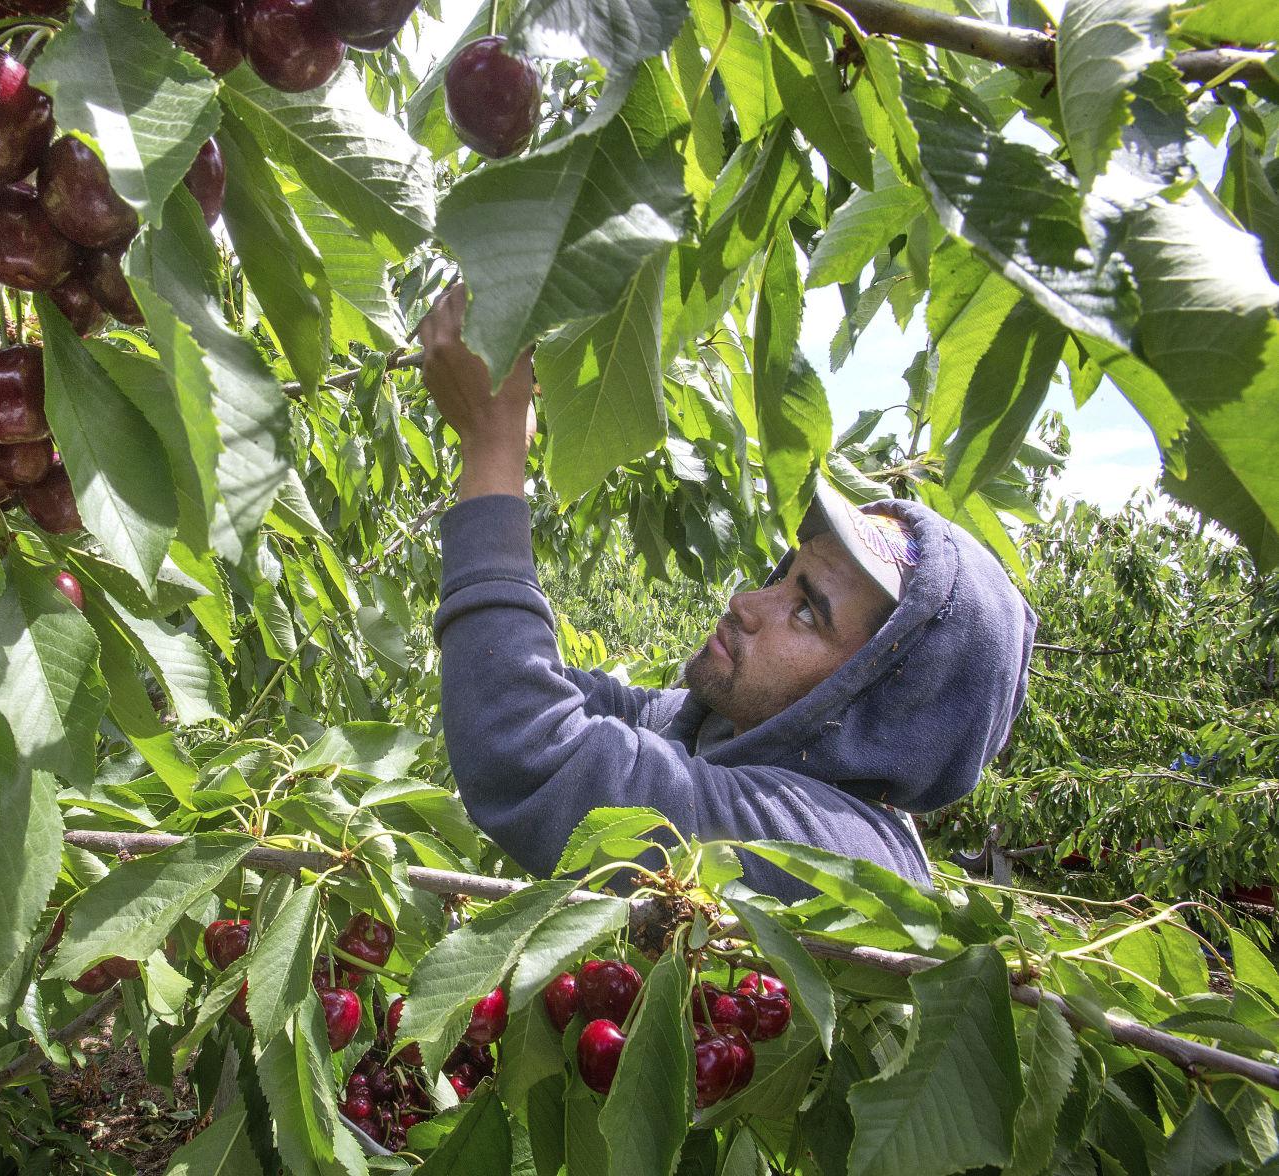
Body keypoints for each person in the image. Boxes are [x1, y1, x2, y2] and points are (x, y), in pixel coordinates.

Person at [417, 285, 1037, 901]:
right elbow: (518, 688)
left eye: (807, 613)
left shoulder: (839, 859)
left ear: (872, 707)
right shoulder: (715, 732)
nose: (746, 602)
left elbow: (528, 749)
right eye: (786, 579)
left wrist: (492, 441)